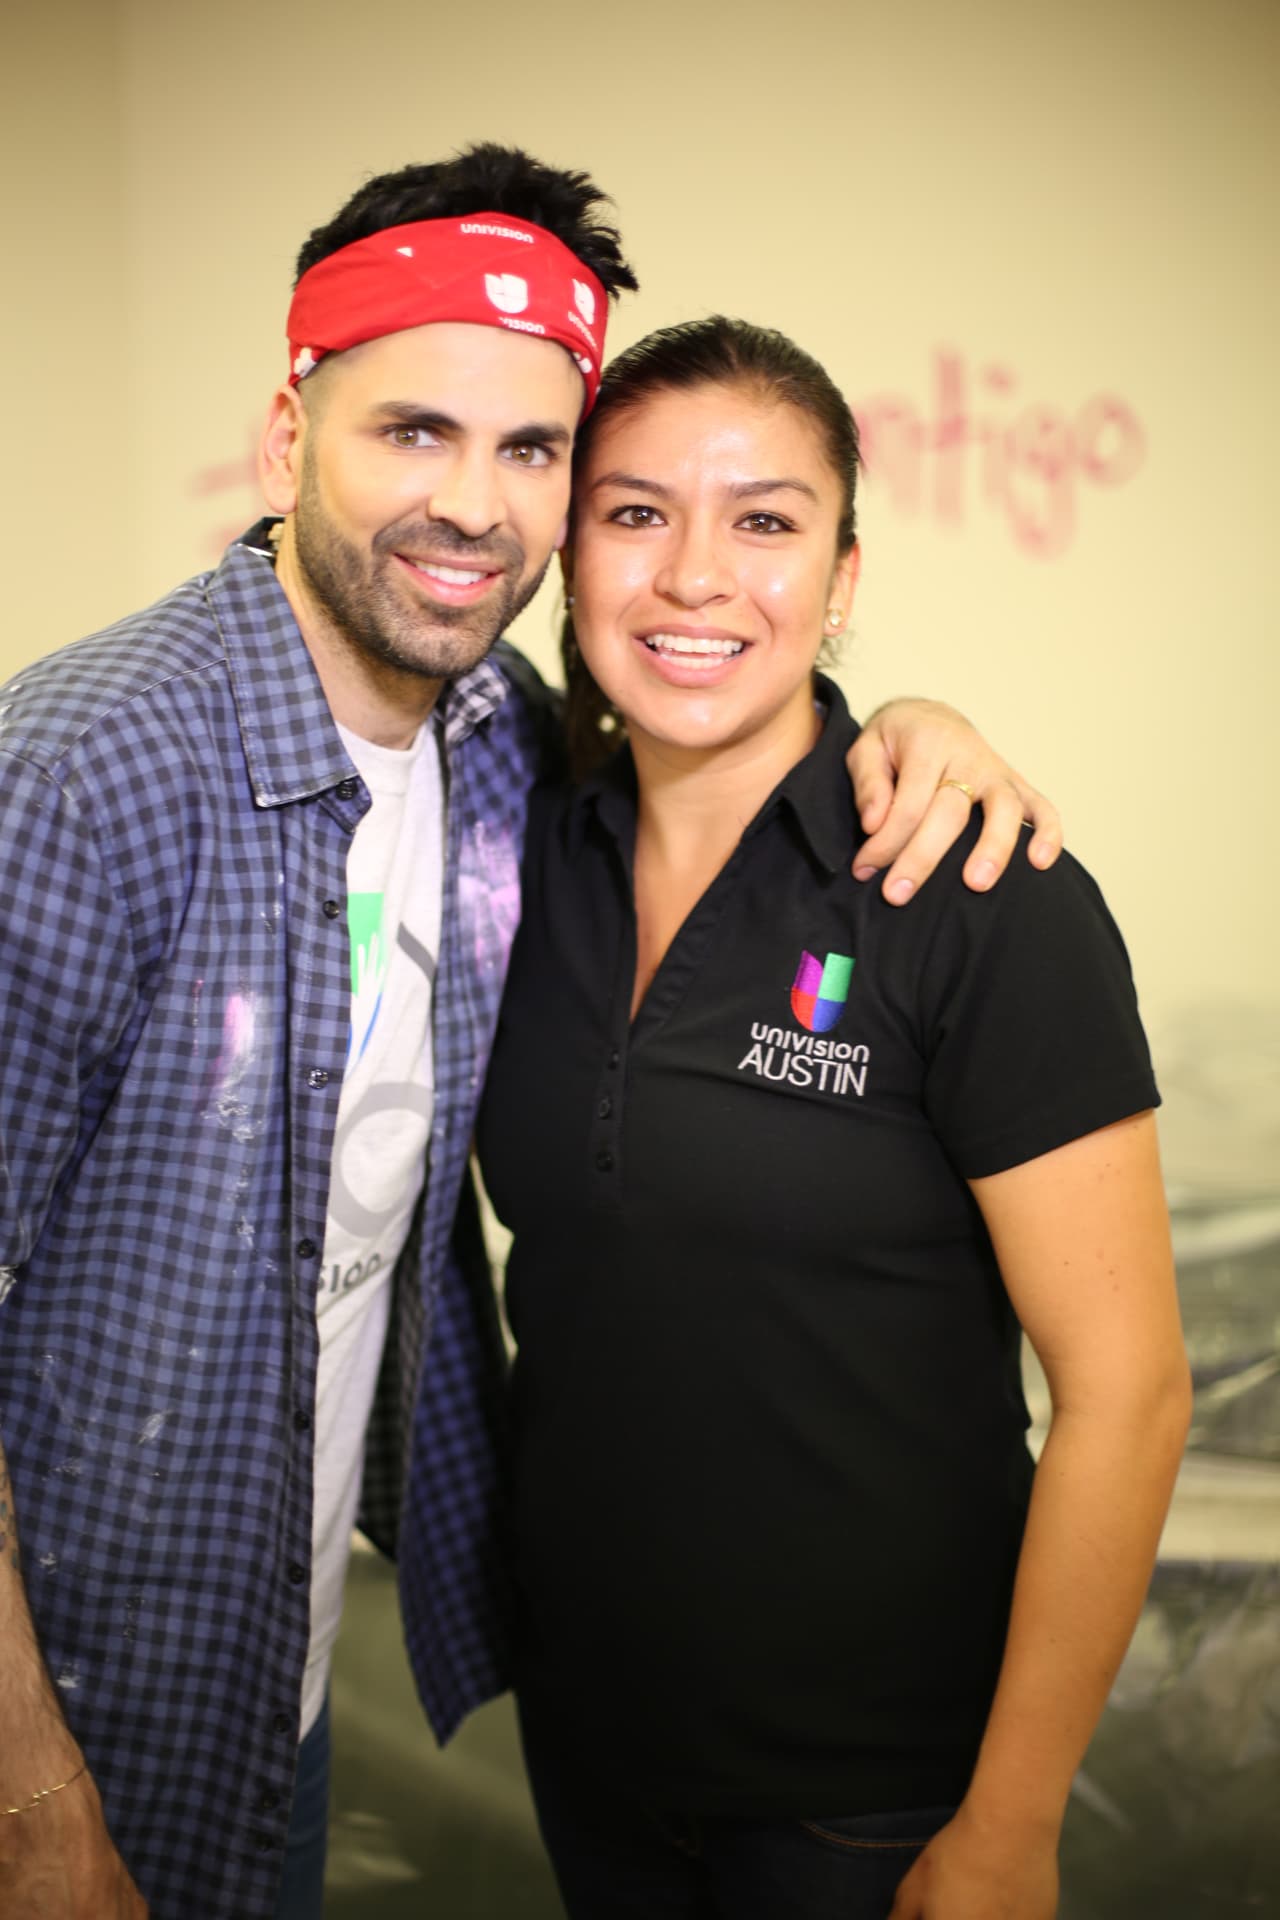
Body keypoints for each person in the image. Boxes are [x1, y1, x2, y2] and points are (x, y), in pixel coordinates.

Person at [0, 149, 1060, 1920]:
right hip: (63, 1724)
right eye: (411, 430)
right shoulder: (82, 779)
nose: (472, 508)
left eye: (529, 451)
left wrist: (911, 728)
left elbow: (723, 740)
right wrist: (32, 1817)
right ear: (287, 443)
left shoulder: (501, 743)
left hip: (279, 1678)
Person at [476, 317, 1192, 1920]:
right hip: (593, 1745)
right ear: (570, 552)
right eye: (638, 512)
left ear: (844, 580)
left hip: (872, 1799)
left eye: (767, 522)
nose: (693, 576)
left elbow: (1131, 1395)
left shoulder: (979, 895)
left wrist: (1009, 1826)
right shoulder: (514, 855)